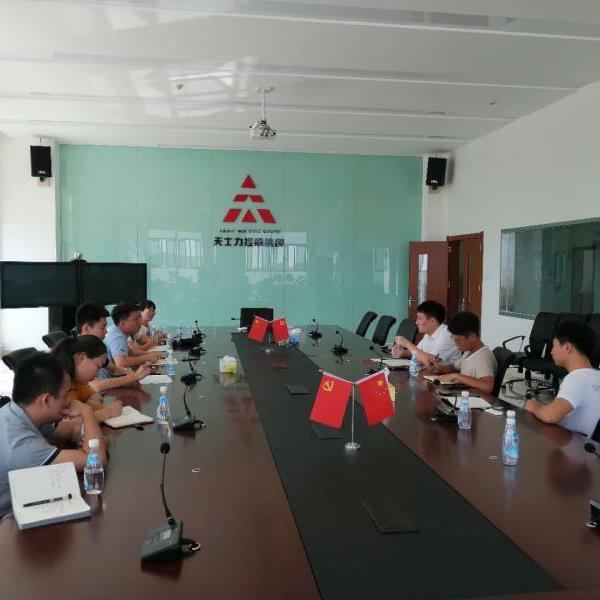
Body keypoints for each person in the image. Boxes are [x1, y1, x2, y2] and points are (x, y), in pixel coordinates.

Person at [0, 352, 108, 515]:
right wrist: (87, 412)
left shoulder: (18, 411)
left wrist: (90, 438)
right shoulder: (20, 444)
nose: (70, 401)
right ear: (46, 400)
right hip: (10, 521)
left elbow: (72, 431)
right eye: (66, 395)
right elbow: (95, 461)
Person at [525, 322, 600, 436]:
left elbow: (550, 416)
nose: (551, 352)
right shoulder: (595, 376)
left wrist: (533, 405)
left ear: (567, 347)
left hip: (566, 443)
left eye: (554, 346)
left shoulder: (577, 378)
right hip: (584, 443)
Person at [75, 302, 151, 391]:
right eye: (102, 327)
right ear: (86, 328)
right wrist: (134, 376)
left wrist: (129, 372)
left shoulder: (94, 347)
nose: (106, 332)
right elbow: (96, 386)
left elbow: (114, 369)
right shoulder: (81, 351)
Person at [52, 335, 124, 423]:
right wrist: (107, 413)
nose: (97, 374)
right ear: (81, 358)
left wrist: (89, 406)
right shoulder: (58, 383)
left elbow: (95, 397)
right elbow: (67, 425)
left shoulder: (77, 379)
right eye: (98, 367)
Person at [425, 311, 497, 394]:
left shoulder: (483, 357)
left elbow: (487, 386)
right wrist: (439, 368)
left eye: (458, 340)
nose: (455, 344)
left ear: (472, 336)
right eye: (453, 338)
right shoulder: (468, 352)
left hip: (474, 399)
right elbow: (454, 367)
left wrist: (456, 376)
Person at [391, 300, 460, 366]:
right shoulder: (428, 334)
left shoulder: (447, 334)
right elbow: (417, 353)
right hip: (429, 372)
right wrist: (402, 353)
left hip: (445, 373)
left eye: (420, 319)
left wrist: (407, 343)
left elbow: (430, 362)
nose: (416, 322)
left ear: (432, 321)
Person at [103, 302, 163, 374]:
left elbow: (131, 352)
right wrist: (146, 358)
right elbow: (121, 362)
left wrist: (149, 354)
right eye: (136, 319)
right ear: (122, 323)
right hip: (110, 379)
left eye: (140, 318)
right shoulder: (117, 337)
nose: (140, 322)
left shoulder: (117, 330)